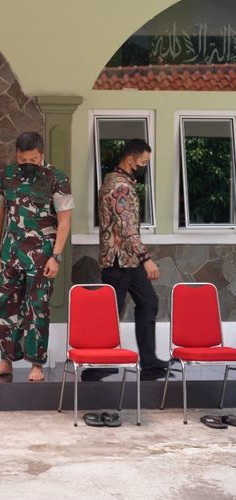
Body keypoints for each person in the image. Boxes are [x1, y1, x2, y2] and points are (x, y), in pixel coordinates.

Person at [0, 132, 73, 382]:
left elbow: (65, 219)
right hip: (10, 254)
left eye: (33, 159)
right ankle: (6, 361)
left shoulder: (57, 178)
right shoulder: (7, 176)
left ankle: (36, 364)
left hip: (42, 256)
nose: (28, 163)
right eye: (24, 158)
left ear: (42, 154)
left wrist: (56, 256)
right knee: (7, 308)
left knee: (38, 309)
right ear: (17, 154)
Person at [97, 138, 170, 380]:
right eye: (143, 161)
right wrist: (146, 258)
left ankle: (149, 362)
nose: (145, 165)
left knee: (148, 302)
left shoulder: (118, 181)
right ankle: (96, 366)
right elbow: (127, 227)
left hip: (128, 261)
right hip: (119, 261)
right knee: (109, 315)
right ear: (131, 159)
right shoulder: (120, 186)